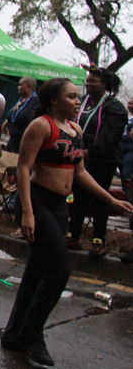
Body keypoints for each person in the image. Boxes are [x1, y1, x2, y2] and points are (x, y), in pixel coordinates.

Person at [3, 78, 133, 367]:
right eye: (72, 97)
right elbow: (23, 169)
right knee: (59, 269)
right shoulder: (41, 126)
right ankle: (32, 335)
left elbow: (80, 172)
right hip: (38, 201)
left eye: (78, 96)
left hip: (61, 206)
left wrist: (110, 200)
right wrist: (27, 212)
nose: (78, 102)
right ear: (53, 100)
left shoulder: (75, 130)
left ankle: (13, 335)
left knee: (37, 271)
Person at [66, 66, 126, 259]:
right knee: (78, 197)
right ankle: (73, 235)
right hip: (79, 156)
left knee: (100, 198)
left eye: (93, 81)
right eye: (87, 80)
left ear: (104, 84)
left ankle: (99, 240)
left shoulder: (114, 107)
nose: (88, 84)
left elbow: (110, 136)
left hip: (102, 160)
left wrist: (91, 152)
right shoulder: (82, 103)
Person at [2, 77, 39, 154]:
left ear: (28, 87)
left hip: (25, 148)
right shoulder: (21, 100)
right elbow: (13, 117)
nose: (18, 87)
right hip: (11, 145)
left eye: (21, 85)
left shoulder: (37, 101)